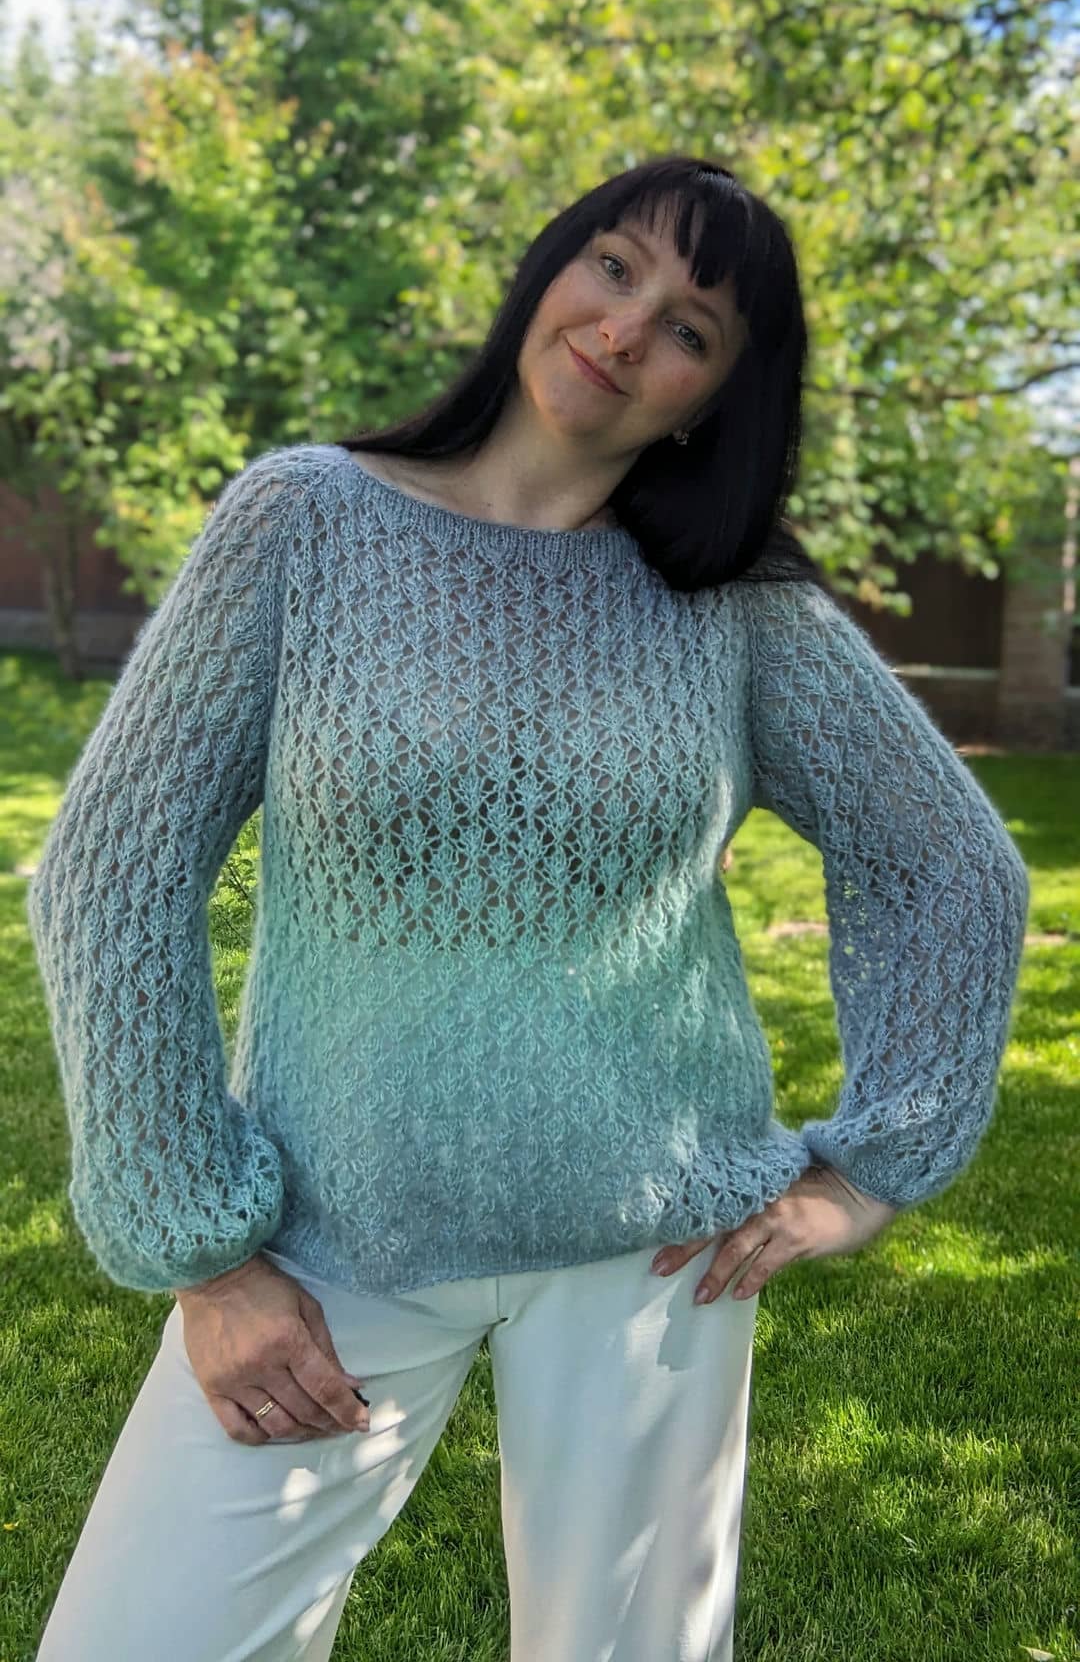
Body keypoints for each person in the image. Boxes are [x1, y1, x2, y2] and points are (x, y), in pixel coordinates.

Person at [26, 154, 1030, 1662]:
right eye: (615, 267)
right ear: (550, 269)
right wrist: (206, 1254)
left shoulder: (732, 602)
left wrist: (878, 1166)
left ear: (713, 397)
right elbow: (112, 869)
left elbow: (950, 862)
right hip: (331, 1240)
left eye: (690, 328)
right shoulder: (304, 522)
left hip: (656, 1253)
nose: (626, 330)